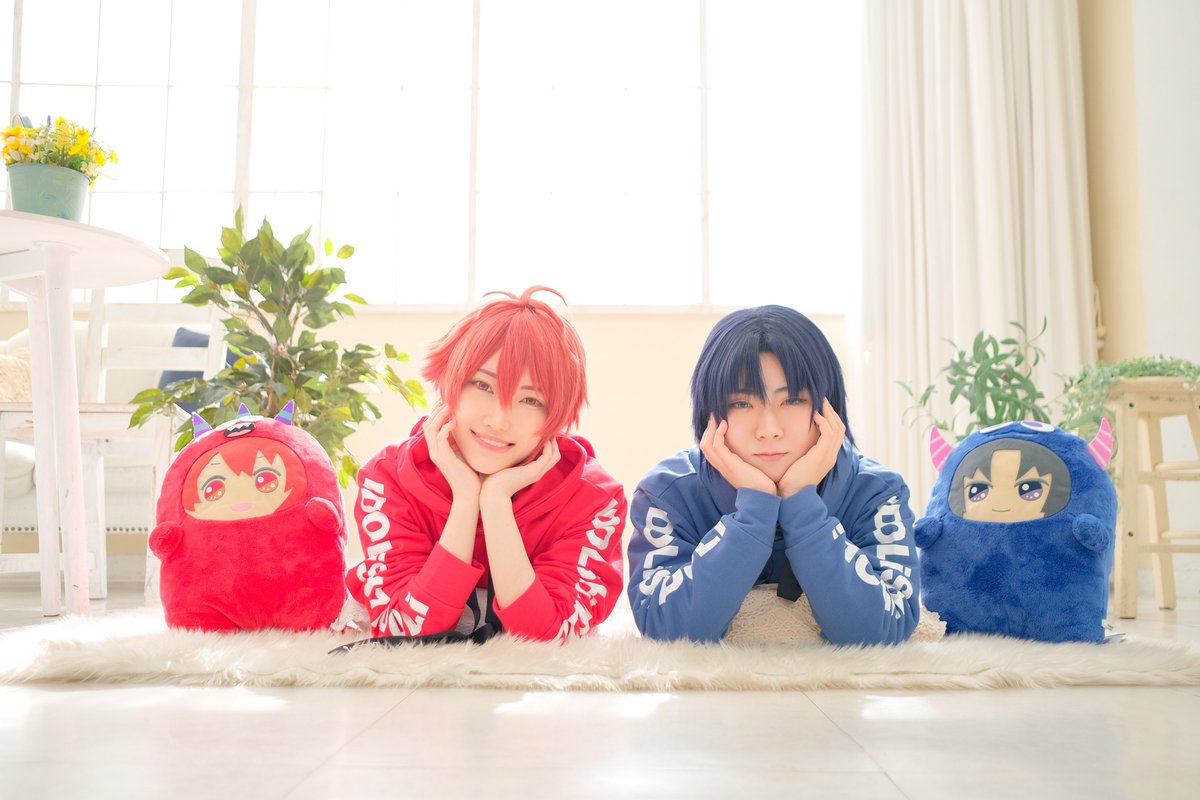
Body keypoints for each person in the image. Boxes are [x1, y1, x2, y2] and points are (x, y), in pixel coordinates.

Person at [344, 287, 627, 643]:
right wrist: (466, 500)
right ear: (450, 384)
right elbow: (407, 631)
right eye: (482, 385)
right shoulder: (389, 478)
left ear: (556, 415)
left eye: (530, 400)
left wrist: (495, 503)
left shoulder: (593, 498)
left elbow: (545, 639)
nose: (498, 420)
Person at [626, 305, 920, 645]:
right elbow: (666, 630)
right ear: (709, 413)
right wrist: (754, 512)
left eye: (792, 400)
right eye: (741, 403)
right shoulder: (666, 493)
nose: (769, 429)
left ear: (829, 407)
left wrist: (802, 504)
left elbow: (882, 630)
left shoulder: (876, 493)